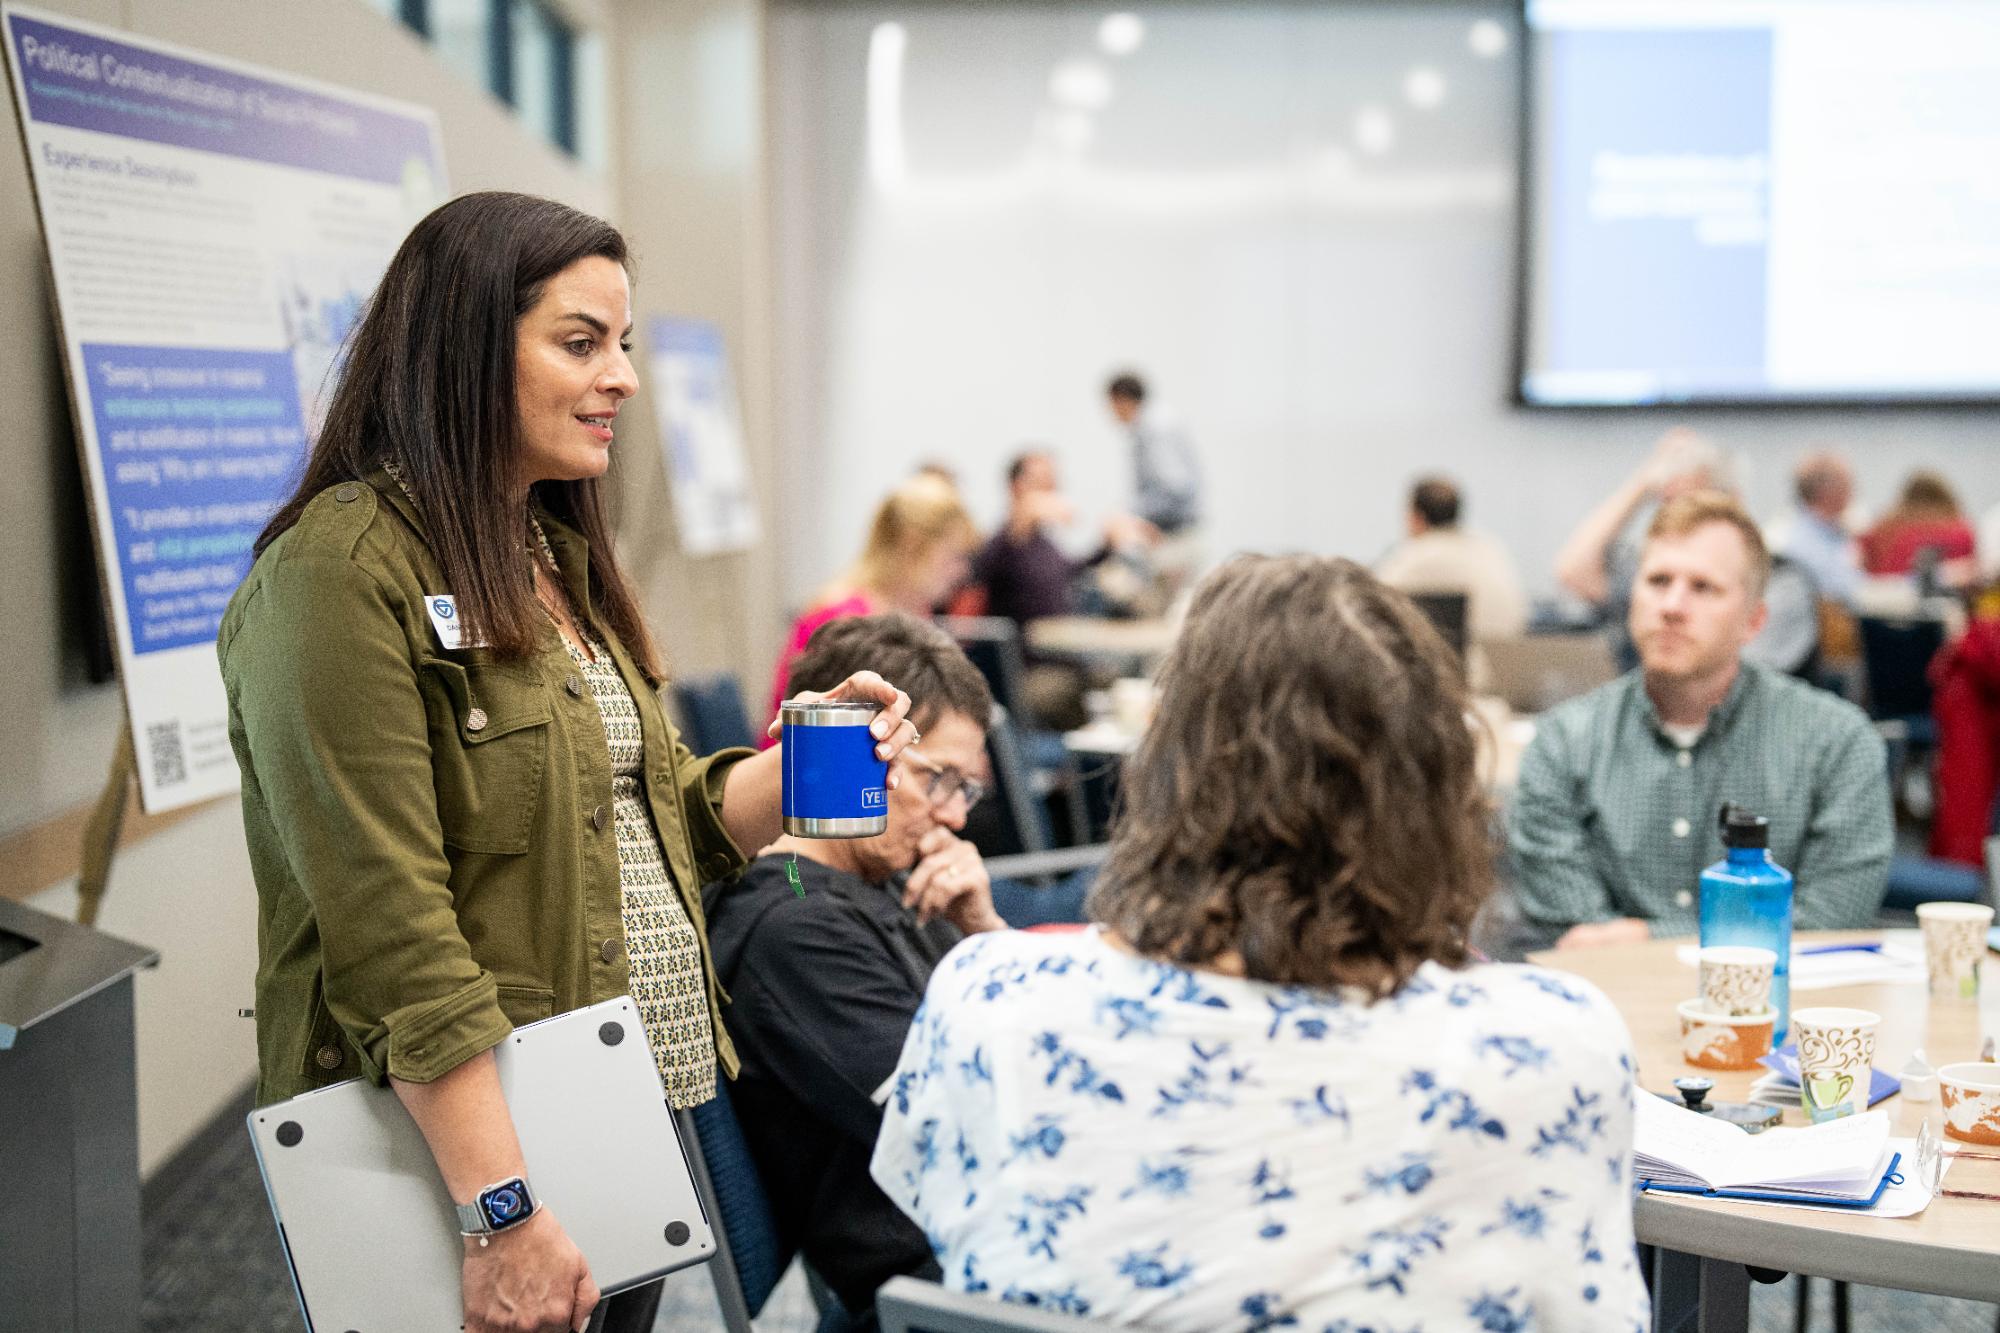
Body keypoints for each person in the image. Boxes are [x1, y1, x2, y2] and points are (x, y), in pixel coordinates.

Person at [219, 192, 921, 1333]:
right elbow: (391, 932)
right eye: (580, 342)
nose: (624, 380)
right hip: (481, 1155)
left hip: (617, 1108)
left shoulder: (547, 556)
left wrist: (792, 767)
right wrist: (501, 1212)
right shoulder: (336, 576)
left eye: (625, 346)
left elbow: (649, 829)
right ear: (460, 348)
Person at [872, 555, 1650, 1331]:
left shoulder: (986, 996)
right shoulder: (1554, 1045)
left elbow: (946, 1235)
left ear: (1168, 770)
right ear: (1434, 787)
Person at [705, 613, 1004, 1321]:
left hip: (982, 1237)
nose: (954, 816)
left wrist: (983, 934)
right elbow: (970, 1119)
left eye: (967, 788)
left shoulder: (885, 883)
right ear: (864, 753)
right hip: (945, 1282)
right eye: (941, 779)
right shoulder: (796, 933)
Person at [1510, 493, 1892, 950]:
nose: (1672, 605)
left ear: (1753, 622)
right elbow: (1576, 935)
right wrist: (1742, 935)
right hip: (1612, 1010)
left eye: (1703, 587)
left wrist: (1645, 936)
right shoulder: (1562, 743)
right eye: (1657, 580)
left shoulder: (1838, 742)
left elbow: (1830, 923)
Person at [765, 474, 978, 736]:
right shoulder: (842, 618)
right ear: (912, 546)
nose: (960, 572)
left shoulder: (912, 612)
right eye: (953, 556)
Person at [1374, 474, 1529, 643]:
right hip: (1508, 657)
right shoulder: (1490, 548)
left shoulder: (1415, 556)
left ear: (1416, 517)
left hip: (1455, 661)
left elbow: (1370, 607)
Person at [1105, 371, 1200, 538]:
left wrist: (1130, 513)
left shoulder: (1156, 430)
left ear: (1122, 401)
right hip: (1175, 531)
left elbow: (1175, 488)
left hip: (1176, 535)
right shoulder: (1155, 423)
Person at [1860, 470, 1978, 585]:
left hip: (1884, 595)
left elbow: (1863, 563)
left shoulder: (1883, 528)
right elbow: (1970, 572)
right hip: (1943, 598)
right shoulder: (1960, 530)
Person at [1776, 450, 1861, 607]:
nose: (1853, 493)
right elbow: (1841, 592)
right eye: (1847, 484)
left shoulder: (1832, 533)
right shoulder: (1802, 544)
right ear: (1827, 491)